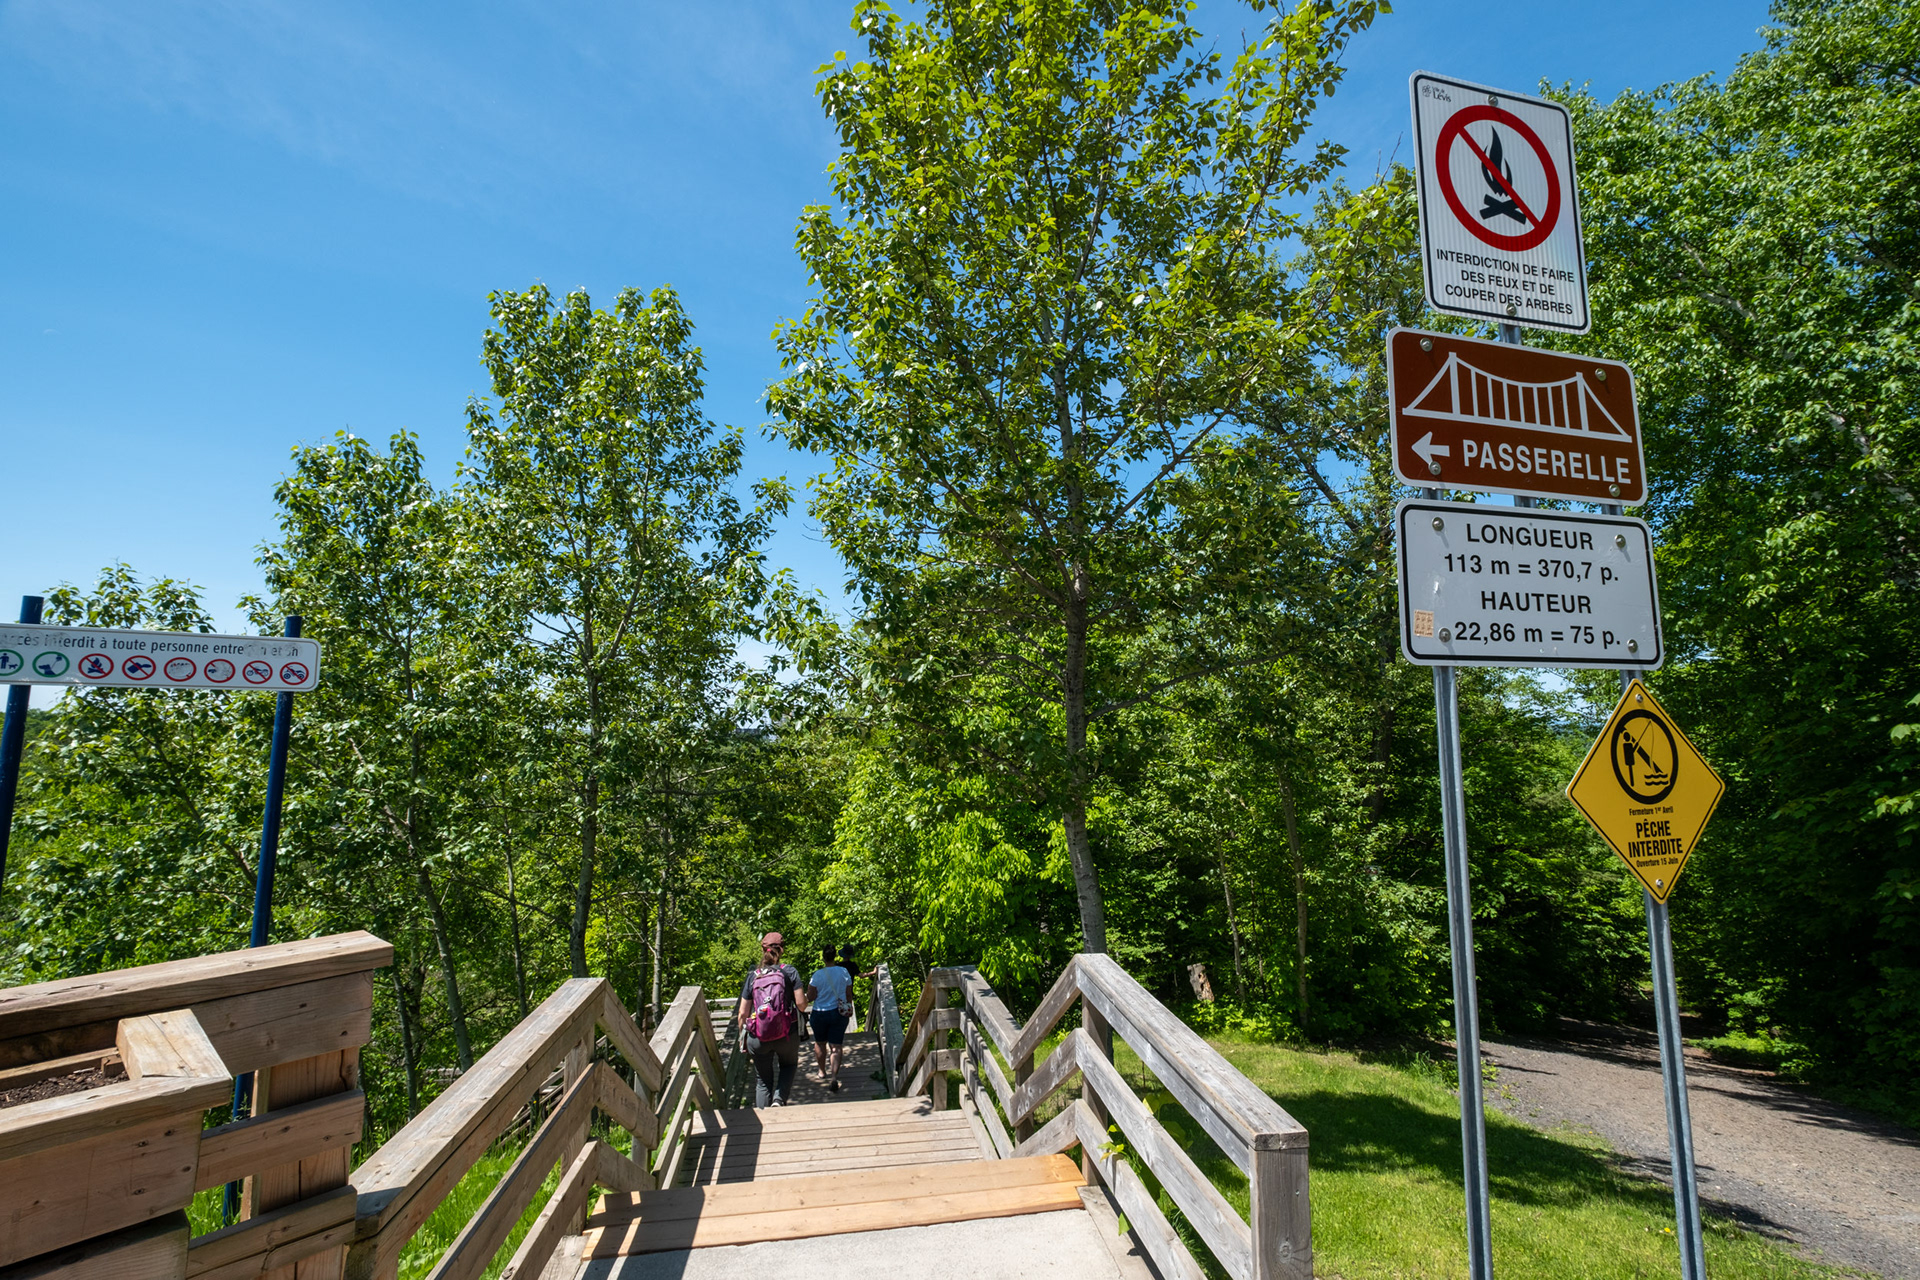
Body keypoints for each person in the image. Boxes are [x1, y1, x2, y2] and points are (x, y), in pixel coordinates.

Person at [737, 932, 806, 1108]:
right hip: (786, 1033)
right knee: (788, 1066)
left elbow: (743, 1013)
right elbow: (801, 1005)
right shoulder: (789, 971)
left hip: (759, 1036)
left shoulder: (753, 975)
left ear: (763, 949)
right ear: (781, 950)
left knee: (762, 1080)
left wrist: (742, 1037)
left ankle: (764, 1115)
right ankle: (778, 1100)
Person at [806, 945, 853, 1091]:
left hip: (820, 1013)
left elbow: (810, 996)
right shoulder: (843, 972)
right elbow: (849, 993)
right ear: (835, 957)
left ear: (823, 958)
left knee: (820, 1043)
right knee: (836, 1046)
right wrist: (848, 1006)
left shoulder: (817, 975)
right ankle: (834, 1077)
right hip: (838, 1013)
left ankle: (821, 1071)